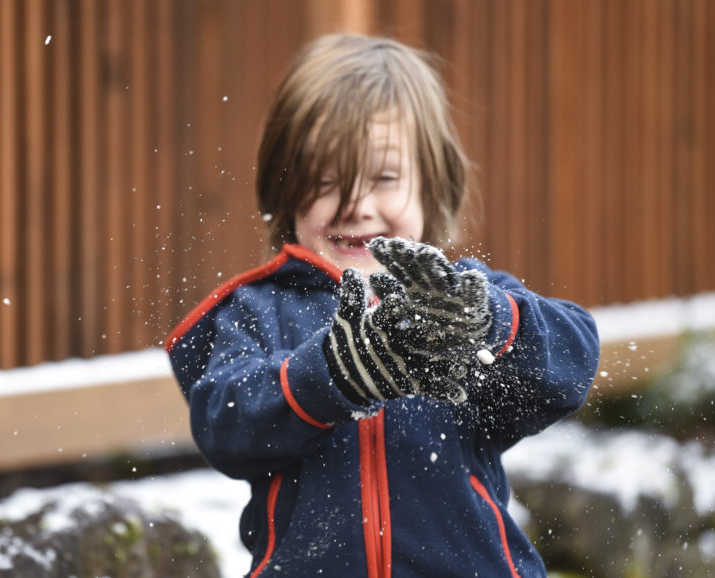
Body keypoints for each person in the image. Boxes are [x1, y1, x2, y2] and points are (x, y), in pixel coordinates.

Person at [166, 34, 600, 578]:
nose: (357, 205)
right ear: (284, 188)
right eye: (326, 180)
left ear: (431, 186)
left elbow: (571, 361)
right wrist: (331, 376)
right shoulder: (259, 311)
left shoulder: (460, 295)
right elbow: (224, 426)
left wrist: (489, 322)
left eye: (385, 177)